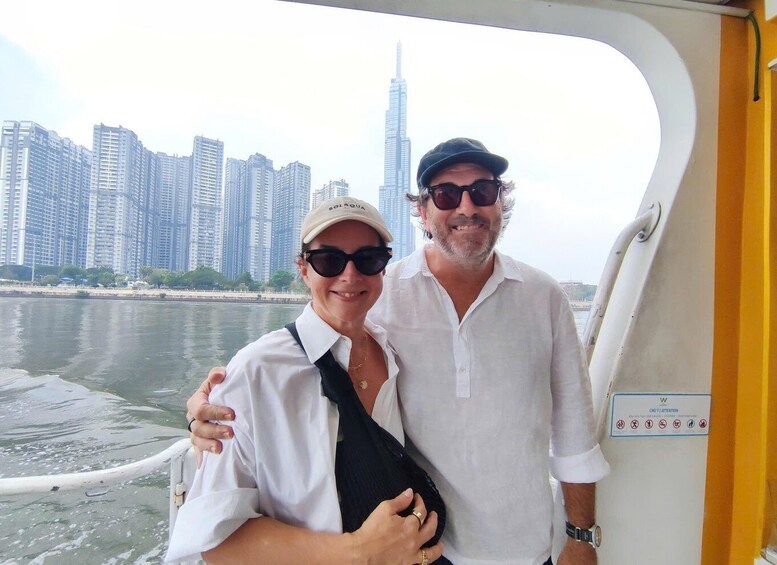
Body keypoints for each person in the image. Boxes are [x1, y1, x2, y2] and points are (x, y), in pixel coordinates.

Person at [188, 138, 610, 564]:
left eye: (482, 191)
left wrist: (580, 537)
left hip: (527, 546)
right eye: (446, 194)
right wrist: (214, 403)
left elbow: (573, 430)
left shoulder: (544, 297)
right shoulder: (380, 293)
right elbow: (305, 344)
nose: (466, 207)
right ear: (423, 211)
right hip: (427, 547)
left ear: (501, 201)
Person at [165, 197, 446, 564]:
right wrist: (358, 553)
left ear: (384, 267)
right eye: (328, 259)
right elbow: (216, 542)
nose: (350, 275)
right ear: (304, 269)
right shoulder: (256, 371)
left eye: (368, 259)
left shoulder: (392, 349)